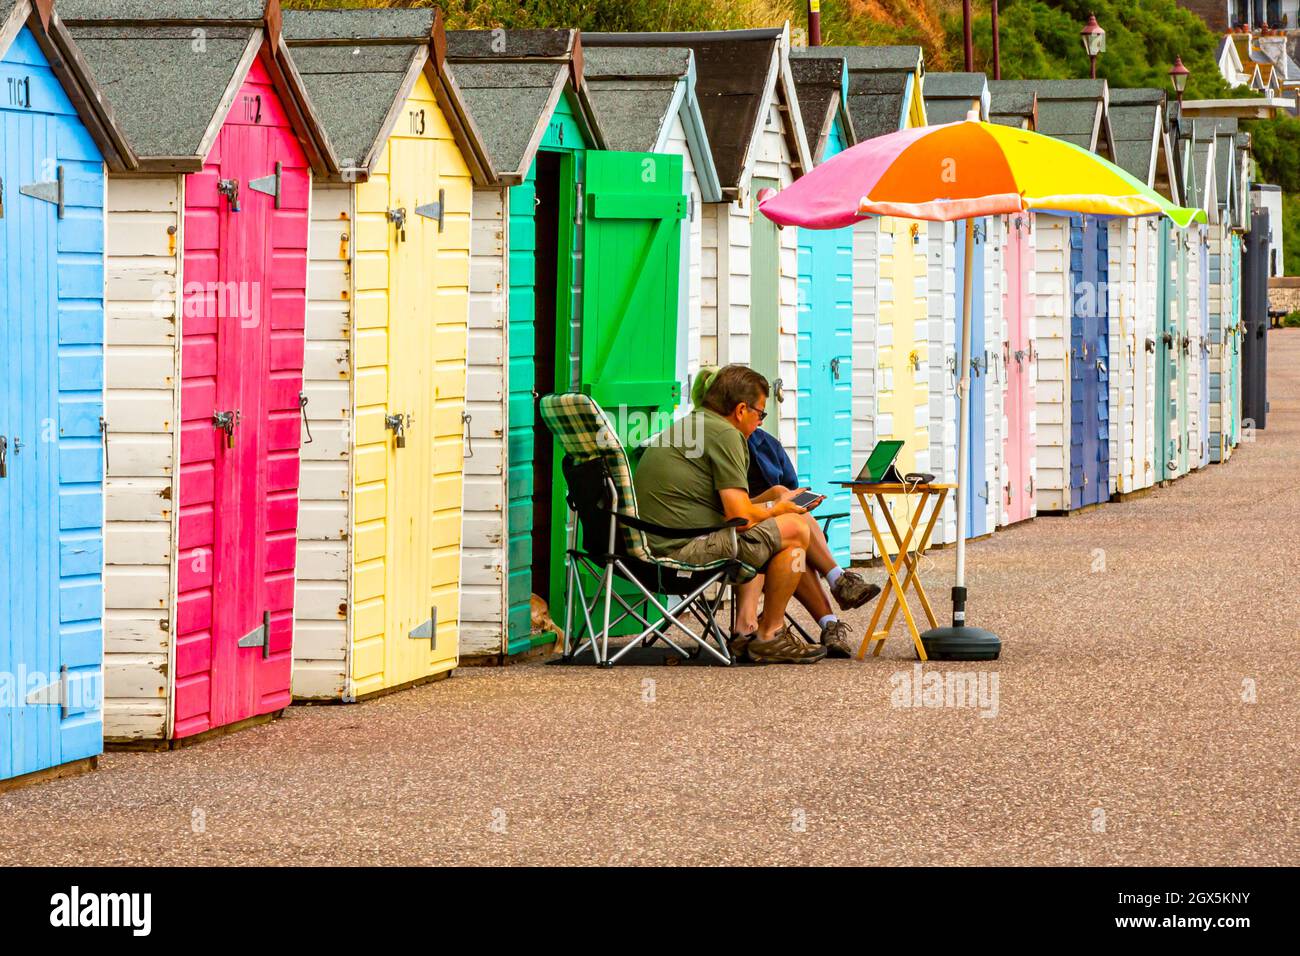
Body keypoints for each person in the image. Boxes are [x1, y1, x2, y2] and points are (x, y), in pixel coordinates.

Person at [742, 423, 880, 657]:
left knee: (795, 542)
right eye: (758, 411)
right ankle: (837, 587)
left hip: (776, 528)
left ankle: (830, 621)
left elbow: (791, 489)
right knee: (793, 532)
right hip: (747, 527)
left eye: (764, 413)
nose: (761, 420)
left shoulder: (768, 443)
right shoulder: (723, 443)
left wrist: (786, 503)